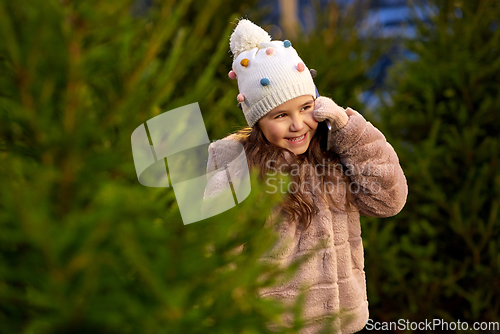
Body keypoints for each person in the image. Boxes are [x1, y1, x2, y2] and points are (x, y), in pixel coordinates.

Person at [203, 19, 408, 334]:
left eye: (306, 107)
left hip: (346, 324)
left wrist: (349, 130)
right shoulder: (237, 168)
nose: (298, 124)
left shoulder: (336, 154)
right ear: (258, 120)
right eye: (281, 115)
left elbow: (388, 200)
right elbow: (215, 256)